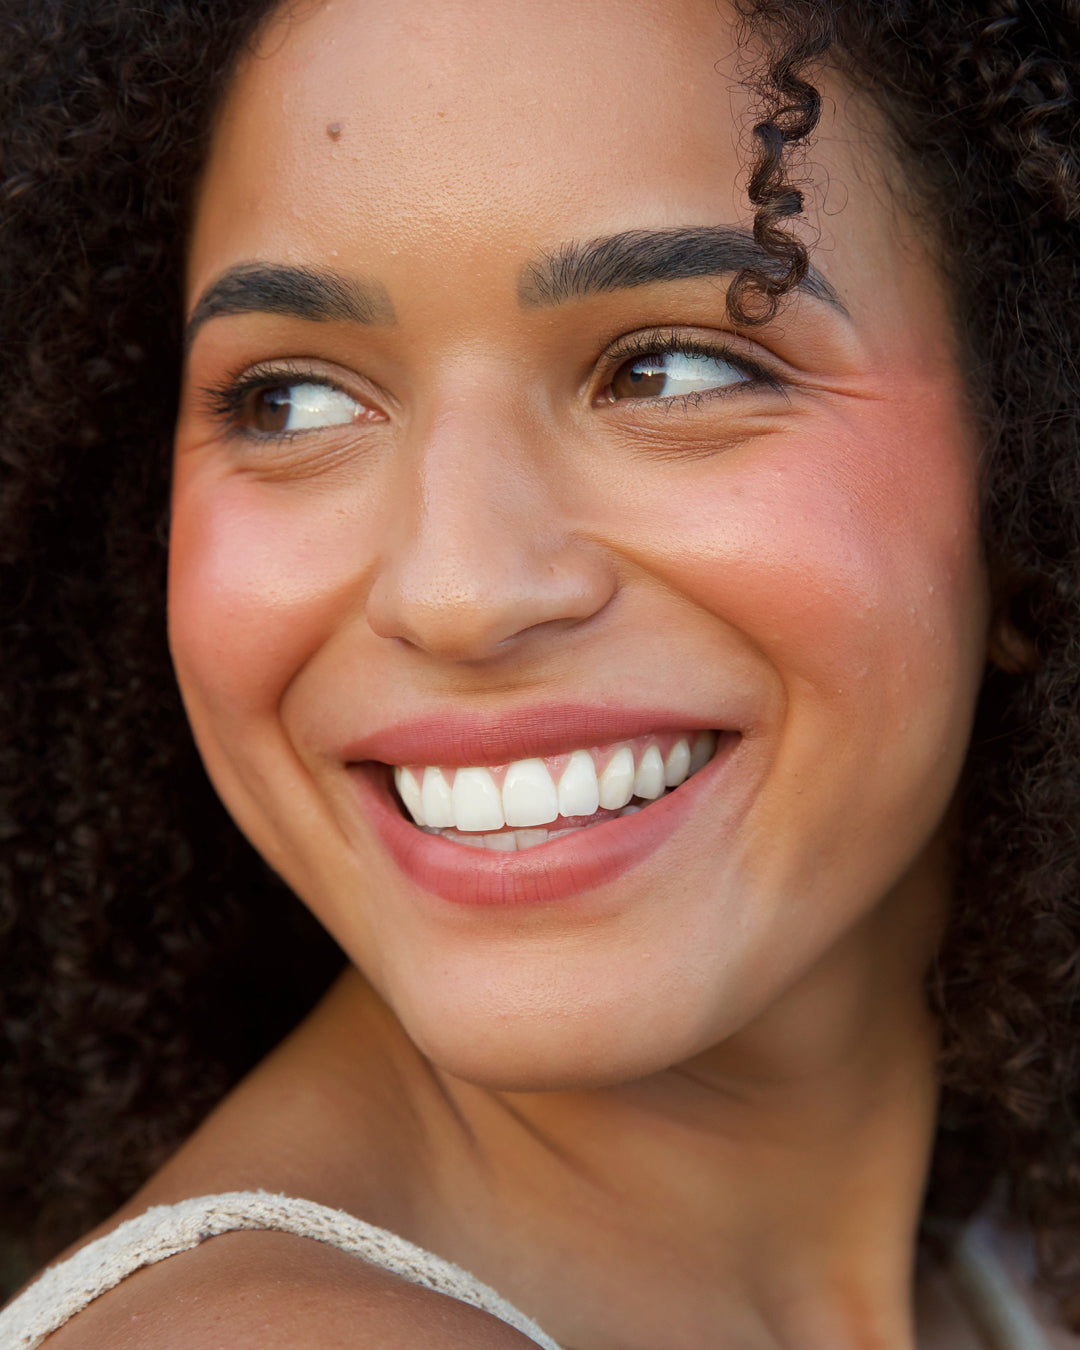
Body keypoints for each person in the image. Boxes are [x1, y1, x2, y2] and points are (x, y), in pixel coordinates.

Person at [1, 0, 1079, 1344]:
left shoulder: (997, 1270)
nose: (458, 590)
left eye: (670, 369)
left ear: (1036, 460)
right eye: (292, 398)